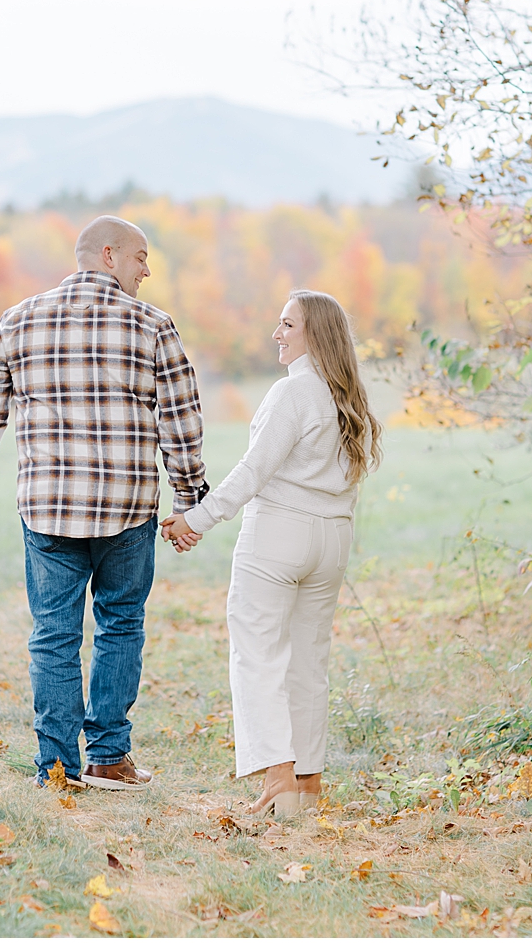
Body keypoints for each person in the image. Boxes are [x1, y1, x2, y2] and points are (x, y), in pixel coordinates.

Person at [0, 215, 208, 791]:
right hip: (126, 509)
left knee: (53, 635)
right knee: (120, 625)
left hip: (48, 508)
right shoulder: (153, 326)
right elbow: (182, 422)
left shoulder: (18, 319)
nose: (148, 269)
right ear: (110, 254)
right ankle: (109, 758)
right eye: (142, 257)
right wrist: (189, 498)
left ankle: (57, 769)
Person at [162, 289, 382, 818]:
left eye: (287, 325)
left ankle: (279, 781)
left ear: (315, 334)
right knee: (309, 663)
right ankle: (307, 789)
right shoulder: (345, 397)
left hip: (279, 537)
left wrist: (197, 518)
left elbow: (252, 472)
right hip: (332, 541)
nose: (277, 334)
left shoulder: (293, 394)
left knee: (257, 656)